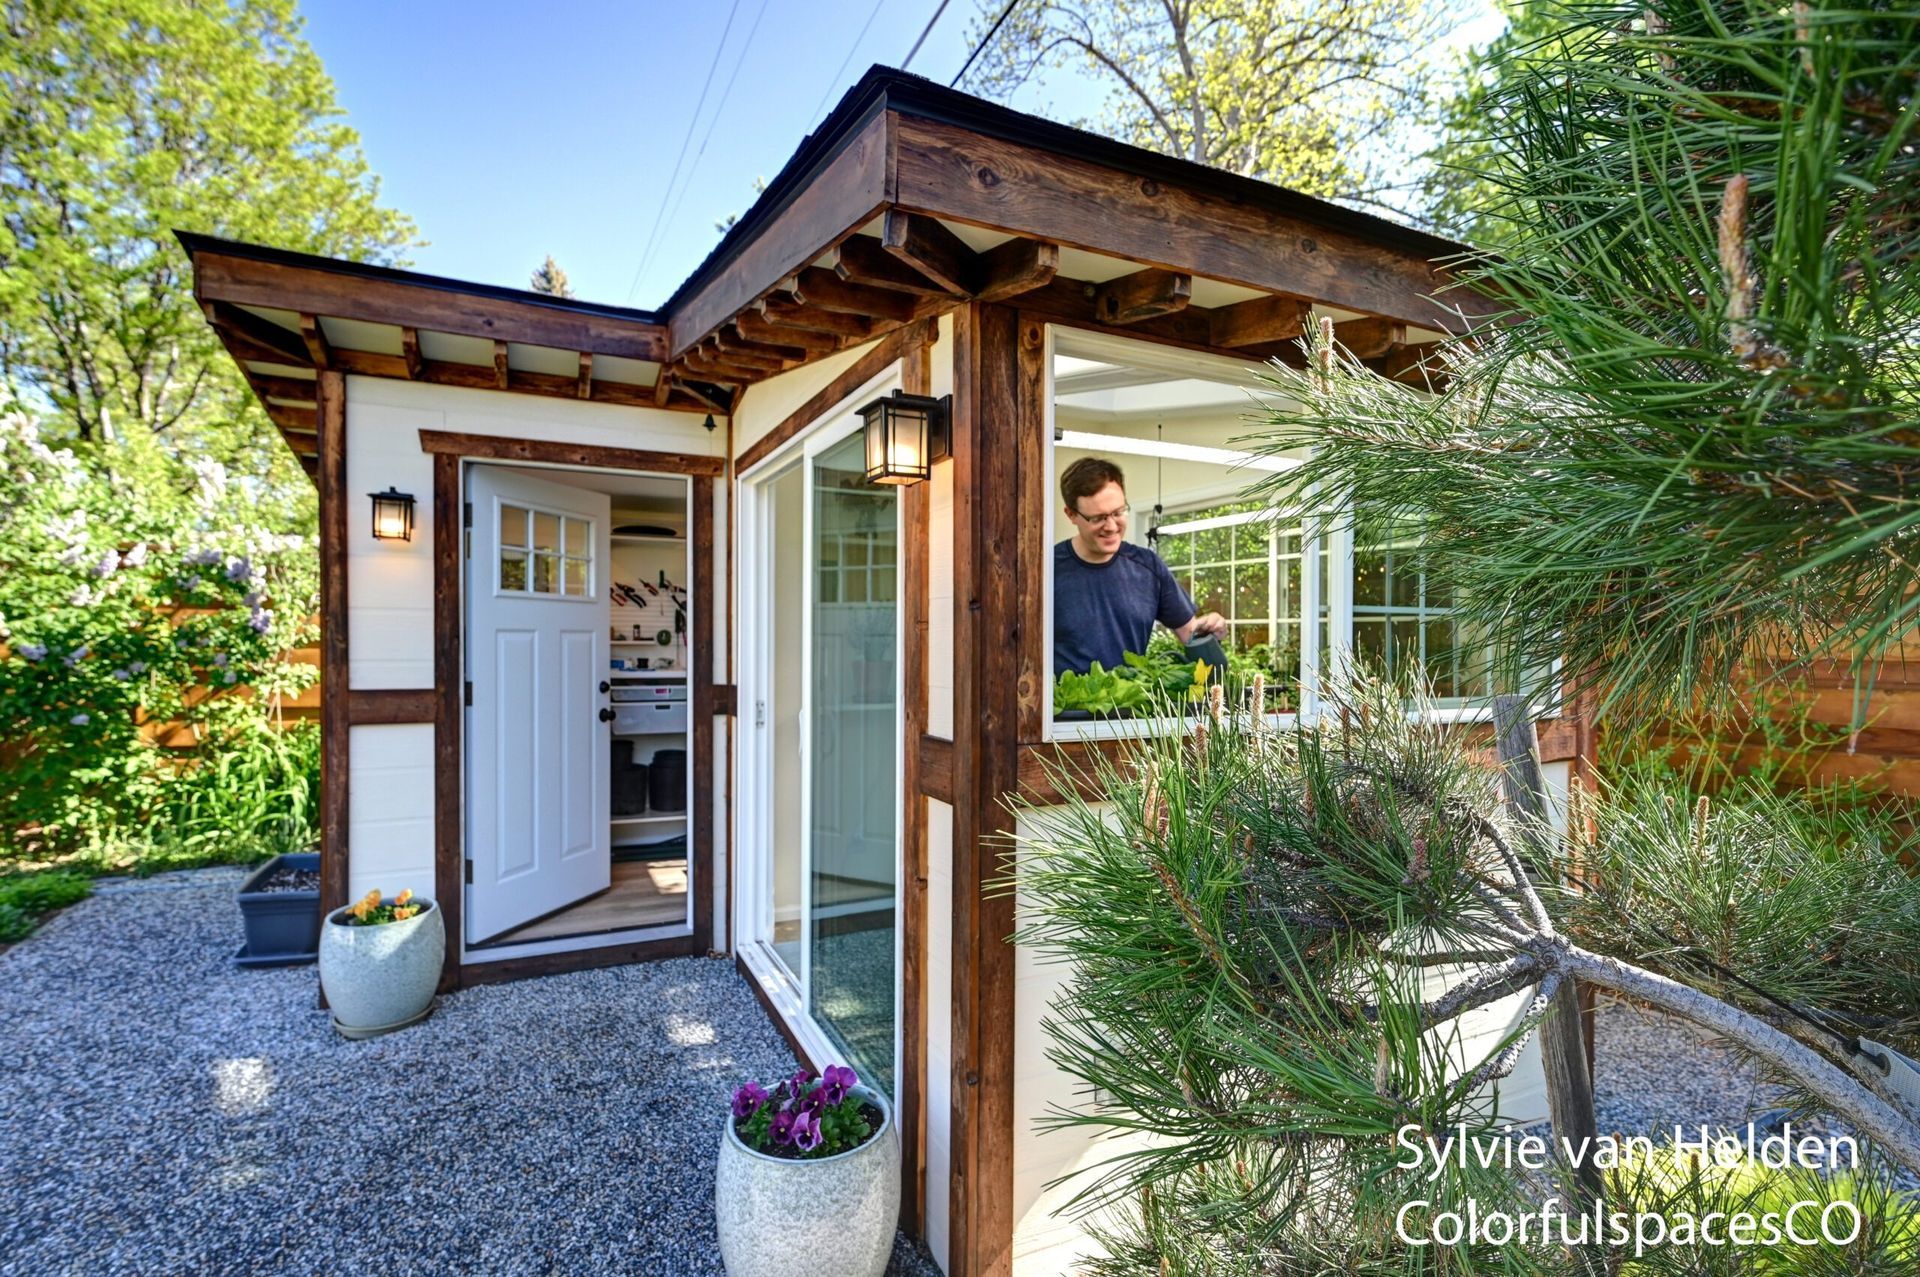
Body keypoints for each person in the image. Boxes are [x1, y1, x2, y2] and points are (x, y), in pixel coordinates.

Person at [1054, 456, 1226, 676]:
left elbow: (1191, 633)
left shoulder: (1147, 567)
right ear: (1071, 515)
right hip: (1063, 708)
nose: (1111, 526)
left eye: (1118, 513)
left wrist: (1213, 629)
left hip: (1132, 704)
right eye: (1098, 518)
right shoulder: (1046, 569)